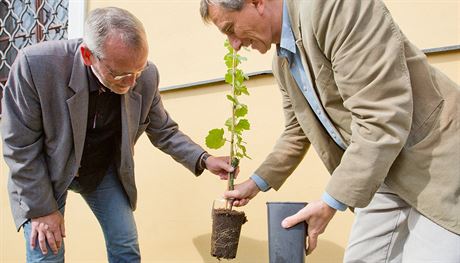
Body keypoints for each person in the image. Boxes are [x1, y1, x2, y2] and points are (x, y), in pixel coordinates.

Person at [200, 0, 460, 262]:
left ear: (257, 3)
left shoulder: (335, 8)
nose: (233, 43)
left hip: (435, 159)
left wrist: (329, 202)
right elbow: (296, 130)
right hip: (382, 172)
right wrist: (255, 183)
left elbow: (381, 116)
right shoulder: (283, 64)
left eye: (230, 28)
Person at [1, 7, 235, 263]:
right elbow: (19, 145)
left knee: (126, 246)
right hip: (46, 170)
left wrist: (204, 158)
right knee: (46, 252)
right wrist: (42, 210)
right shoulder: (37, 66)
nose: (132, 81)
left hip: (101, 169)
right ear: (88, 56)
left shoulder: (145, 76)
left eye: (138, 70)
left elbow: (163, 130)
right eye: (121, 74)